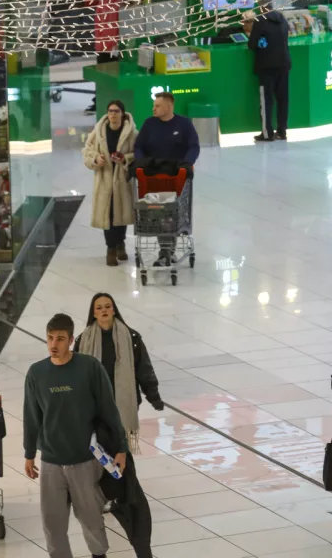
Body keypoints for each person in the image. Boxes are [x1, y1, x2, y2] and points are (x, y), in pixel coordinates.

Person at [24, 313, 128, 558]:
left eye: (60, 339)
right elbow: (31, 417)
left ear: (71, 340)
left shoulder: (90, 368)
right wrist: (29, 455)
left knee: (91, 519)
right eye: (49, 338)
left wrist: (121, 447)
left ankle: (98, 555)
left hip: (85, 460)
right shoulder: (36, 374)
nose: (53, 345)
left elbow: (108, 409)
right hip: (51, 462)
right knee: (52, 524)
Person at [73, 293, 162, 454]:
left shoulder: (131, 338)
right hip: (95, 405)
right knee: (100, 449)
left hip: (123, 402)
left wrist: (153, 396)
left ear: (114, 310)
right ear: (93, 314)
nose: (104, 310)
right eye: (99, 308)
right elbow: (75, 375)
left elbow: (144, 368)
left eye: (108, 306)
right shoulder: (83, 340)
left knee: (122, 449)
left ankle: (125, 478)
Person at [83, 100, 135, 266]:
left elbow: (137, 154)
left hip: (122, 180)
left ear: (122, 113)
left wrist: (124, 158)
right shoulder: (99, 132)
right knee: (108, 214)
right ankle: (110, 248)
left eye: (116, 111)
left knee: (121, 213)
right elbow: (87, 149)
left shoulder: (132, 133)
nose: (113, 114)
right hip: (104, 179)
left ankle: (121, 242)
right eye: (110, 111)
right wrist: (96, 159)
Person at [243, 8, 291, 142]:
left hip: (267, 67)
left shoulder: (260, 22)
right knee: (283, 99)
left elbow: (252, 44)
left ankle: (267, 133)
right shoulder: (282, 19)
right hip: (284, 64)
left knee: (266, 101)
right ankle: (282, 131)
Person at [134, 92, 200, 168]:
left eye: (157, 106)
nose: (154, 109)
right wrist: (141, 162)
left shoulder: (184, 123)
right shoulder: (148, 123)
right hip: (152, 171)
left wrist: (187, 163)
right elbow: (138, 146)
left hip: (177, 170)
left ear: (169, 107)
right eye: (154, 106)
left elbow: (193, 146)